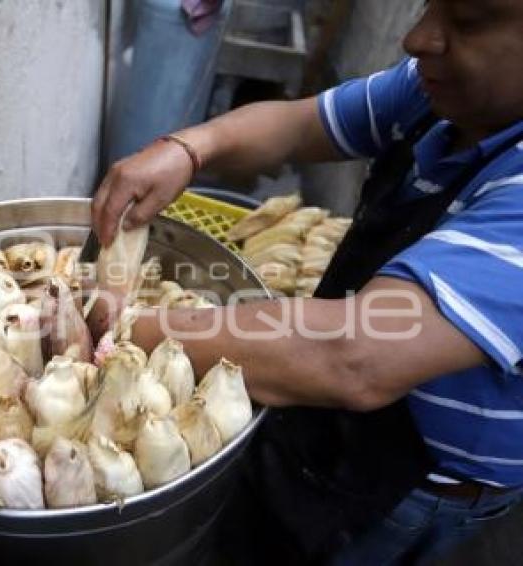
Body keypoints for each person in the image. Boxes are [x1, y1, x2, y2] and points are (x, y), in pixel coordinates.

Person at [88, 1, 523, 564]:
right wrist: (189, 151)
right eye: (426, 5)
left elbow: (352, 356)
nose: (417, 39)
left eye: (466, 22)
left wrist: (113, 331)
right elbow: (297, 126)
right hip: (326, 424)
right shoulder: (437, 98)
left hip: (407, 490)